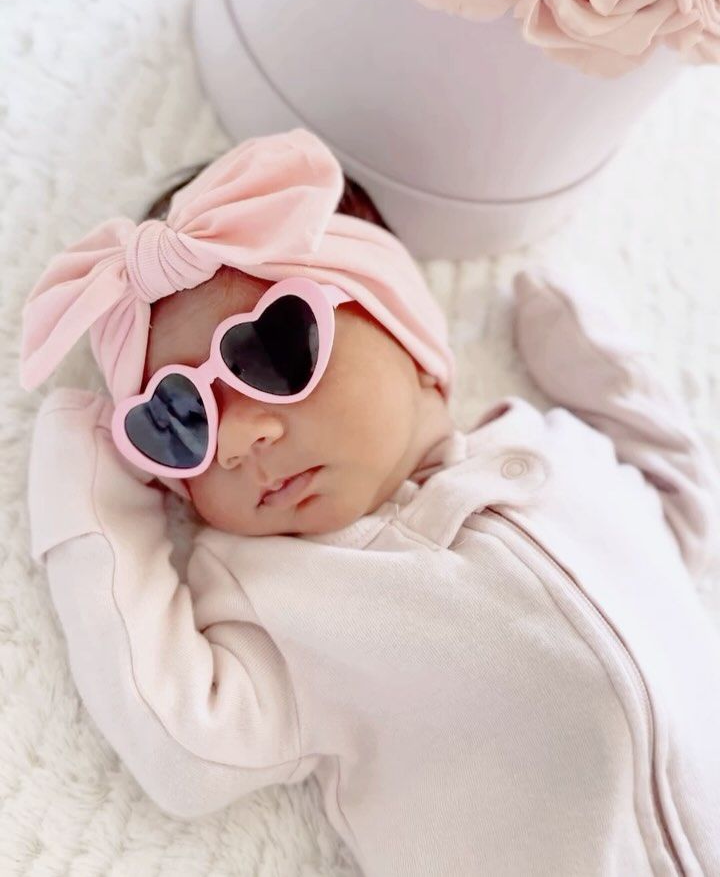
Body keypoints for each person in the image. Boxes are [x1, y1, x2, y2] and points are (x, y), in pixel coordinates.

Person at [18, 128, 720, 876]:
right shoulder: (280, 604)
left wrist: (599, 365)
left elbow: (682, 514)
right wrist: (95, 510)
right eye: (179, 421)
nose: (237, 440)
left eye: (271, 352)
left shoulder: (558, 446)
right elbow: (181, 744)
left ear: (407, 330)